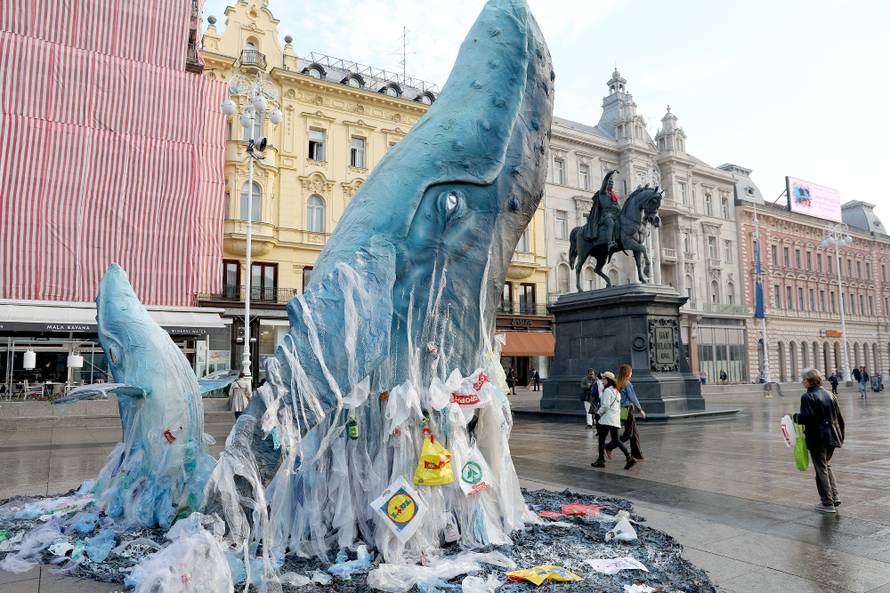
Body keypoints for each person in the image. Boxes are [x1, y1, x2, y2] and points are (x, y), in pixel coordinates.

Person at [793, 368, 844, 513]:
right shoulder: (830, 394)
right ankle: (834, 496)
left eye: (803, 380)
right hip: (832, 435)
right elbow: (839, 418)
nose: (802, 382)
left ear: (810, 381)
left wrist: (794, 417)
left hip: (817, 437)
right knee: (826, 465)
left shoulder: (808, 396)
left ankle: (827, 503)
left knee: (821, 468)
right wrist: (840, 436)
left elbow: (806, 417)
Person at [591, 371, 635, 470]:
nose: (602, 381)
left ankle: (601, 460)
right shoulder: (616, 391)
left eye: (603, 379)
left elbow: (605, 406)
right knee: (616, 440)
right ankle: (629, 457)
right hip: (615, 420)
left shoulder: (607, 391)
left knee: (601, 439)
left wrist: (598, 413)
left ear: (608, 380)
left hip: (606, 419)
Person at [608, 363, 646, 461]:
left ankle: (637, 453)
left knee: (635, 432)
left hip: (621, 410)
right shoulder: (627, 383)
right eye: (631, 371)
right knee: (628, 433)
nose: (632, 373)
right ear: (627, 373)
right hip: (626, 410)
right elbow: (633, 397)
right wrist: (640, 409)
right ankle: (609, 446)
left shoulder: (617, 382)